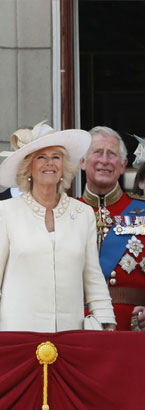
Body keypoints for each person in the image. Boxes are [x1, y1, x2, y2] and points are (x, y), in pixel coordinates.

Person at [0, 121, 116, 331]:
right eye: (41, 157)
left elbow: (93, 276)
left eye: (56, 157)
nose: (49, 163)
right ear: (28, 167)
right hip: (17, 335)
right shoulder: (6, 212)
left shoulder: (83, 214)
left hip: (70, 335)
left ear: (64, 166)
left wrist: (105, 319)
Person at [79, 126, 145, 331]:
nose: (104, 160)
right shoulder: (67, 211)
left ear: (123, 165)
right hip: (77, 326)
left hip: (132, 328)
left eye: (111, 154)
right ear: (82, 162)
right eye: (97, 152)